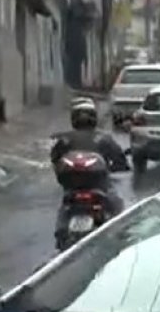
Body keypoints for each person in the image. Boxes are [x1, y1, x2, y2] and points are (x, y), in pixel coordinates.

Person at [50, 99, 129, 247]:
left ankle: (60, 234)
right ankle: (121, 236)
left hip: (73, 188)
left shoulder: (65, 139)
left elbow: (54, 159)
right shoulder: (103, 138)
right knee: (117, 205)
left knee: (66, 205)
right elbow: (120, 160)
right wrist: (121, 166)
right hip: (99, 187)